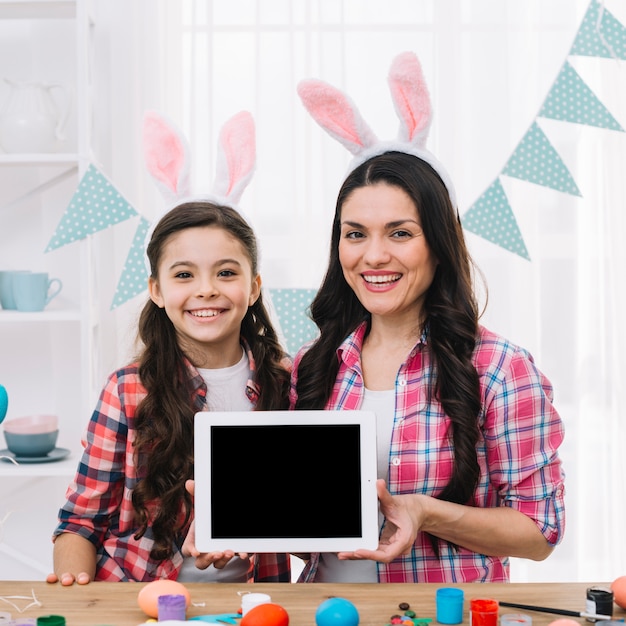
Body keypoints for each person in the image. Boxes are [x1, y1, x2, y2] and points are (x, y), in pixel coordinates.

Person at [290, 52, 566, 583]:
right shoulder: (311, 364)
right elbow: (300, 525)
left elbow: (540, 532)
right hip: (319, 614)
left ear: (438, 245)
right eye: (355, 234)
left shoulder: (501, 369)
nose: (373, 256)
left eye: (400, 233)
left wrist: (427, 513)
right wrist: (225, 522)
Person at [46, 112, 291, 585]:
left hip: (256, 603)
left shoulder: (288, 381)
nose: (206, 290)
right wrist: (74, 596)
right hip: (142, 598)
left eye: (226, 272)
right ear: (157, 291)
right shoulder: (127, 390)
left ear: (254, 286)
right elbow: (80, 522)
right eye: (184, 275)